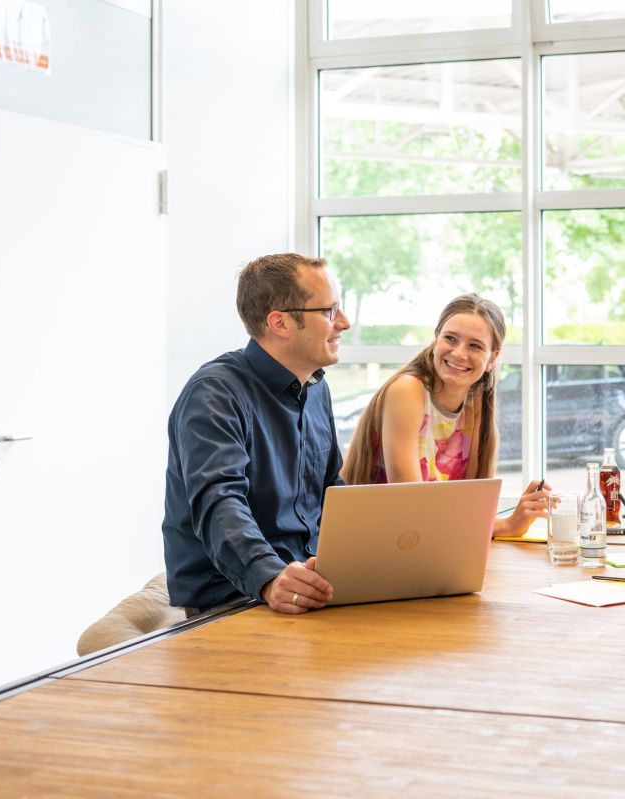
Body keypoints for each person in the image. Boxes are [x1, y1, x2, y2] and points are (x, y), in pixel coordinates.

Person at [163, 253, 349, 616]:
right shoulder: (214, 393)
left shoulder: (315, 387)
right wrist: (269, 577)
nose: (345, 322)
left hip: (304, 580)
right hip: (236, 597)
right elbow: (219, 502)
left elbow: (331, 490)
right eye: (329, 311)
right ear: (280, 322)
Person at [341, 294, 549, 537]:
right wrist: (506, 526)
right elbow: (411, 507)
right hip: (372, 540)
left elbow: (470, 509)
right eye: (450, 338)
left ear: (492, 358)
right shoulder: (407, 390)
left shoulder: (476, 401)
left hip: (425, 545)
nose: (459, 354)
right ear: (436, 339)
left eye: (475, 345)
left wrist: (511, 520)